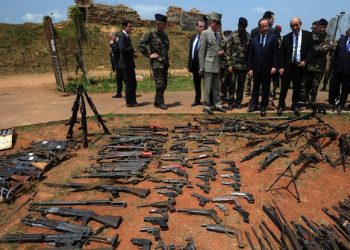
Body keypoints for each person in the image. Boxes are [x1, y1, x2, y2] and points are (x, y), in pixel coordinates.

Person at [277, 17, 313, 116]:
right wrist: (281, 67)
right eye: (292, 26)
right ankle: (281, 105)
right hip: (288, 66)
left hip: (299, 66)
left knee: (297, 87)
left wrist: (305, 61)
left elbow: (310, 50)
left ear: (300, 24)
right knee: (284, 87)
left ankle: (295, 105)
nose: (295, 27)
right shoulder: (286, 37)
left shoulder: (308, 35)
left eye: (296, 25)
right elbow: (282, 54)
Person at [247, 19, 278, 116]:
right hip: (256, 68)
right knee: (255, 88)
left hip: (268, 68)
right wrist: (250, 68)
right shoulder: (253, 40)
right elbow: (250, 55)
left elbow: (275, 54)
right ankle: (254, 104)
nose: (265, 28)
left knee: (266, 88)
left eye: (266, 26)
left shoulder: (273, 38)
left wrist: (274, 66)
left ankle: (263, 106)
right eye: (263, 26)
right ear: (259, 27)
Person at [139, 14, 169, 110]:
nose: (165, 26)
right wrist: (148, 55)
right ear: (158, 23)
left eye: (165, 24)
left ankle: (156, 101)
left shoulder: (164, 35)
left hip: (164, 63)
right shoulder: (151, 33)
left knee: (164, 84)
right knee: (160, 84)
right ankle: (160, 102)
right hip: (157, 64)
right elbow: (141, 44)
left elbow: (166, 48)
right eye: (163, 24)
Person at [198, 12, 226, 115]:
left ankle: (217, 105)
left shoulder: (218, 34)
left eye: (219, 23)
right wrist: (201, 67)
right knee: (207, 87)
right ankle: (206, 107)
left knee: (216, 87)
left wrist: (221, 52)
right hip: (208, 65)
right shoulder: (205, 33)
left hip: (217, 64)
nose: (218, 25)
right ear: (212, 23)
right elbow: (201, 52)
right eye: (217, 23)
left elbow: (218, 47)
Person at [303, 19, 332, 103]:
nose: (322, 29)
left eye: (324, 27)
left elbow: (325, 49)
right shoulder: (312, 36)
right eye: (320, 27)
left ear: (326, 27)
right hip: (309, 64)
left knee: (315, 85)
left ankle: (311, 101)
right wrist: (319, 47)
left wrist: (314, 48)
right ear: (318, 27)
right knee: (306, 83)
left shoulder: (329, 37)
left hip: (320, 65)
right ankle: (304, 101)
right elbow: (308, 47)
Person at [226, 17, 251, 109]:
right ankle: (230, 103)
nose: (242, 28)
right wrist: (229, 64)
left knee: (241, 86)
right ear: (238, 25)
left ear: (246, 26)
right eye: (240, 26)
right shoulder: (232, 35)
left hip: (243, 67)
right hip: (233, 66)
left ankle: (238, 102)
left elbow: (249, 53)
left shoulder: (248, 37)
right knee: (231, 85)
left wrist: (249, 67)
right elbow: (228, 50)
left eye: (244, 27)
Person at [118, 20, 139, 107]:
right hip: (125, 65)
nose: (131, 28)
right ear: (124, 27)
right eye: (129, 26)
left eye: (131, 26)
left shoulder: (127, 37)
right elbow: (122, 49)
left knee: (133, 83)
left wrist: (133, 54)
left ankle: (133, 101)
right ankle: (129, 102)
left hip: (129, 64)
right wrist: (132, 49)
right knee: (129, 84)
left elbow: (126, 49)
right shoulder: (121, 36)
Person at [330, 27, 350, 112]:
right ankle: (333, 103)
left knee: (345, 88)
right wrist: (333, 66)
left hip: (348, 70)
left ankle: (341, 104)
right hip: (338, 68)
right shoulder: (341, 40)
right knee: (335, 86)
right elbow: (335, 55)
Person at [188, 19, 205, 106]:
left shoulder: (206, 39)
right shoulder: (193, 38)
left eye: (203, 27)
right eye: (200, 26)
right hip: (194, 65)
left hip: (204, 66)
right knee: (196, 84)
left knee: (206, 84)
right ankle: (197, 99)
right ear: (196, 27)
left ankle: (208, 101)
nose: (202, 28)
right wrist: (189, 65)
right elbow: (191, 52)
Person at [109, 32, 123, 98]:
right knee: (118, 79)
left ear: (114, 36)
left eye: (111, 37)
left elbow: (116, 50)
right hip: (117, 64)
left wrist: (112, 44)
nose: (110, 39)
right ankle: (119, 93)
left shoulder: (119, 41)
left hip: (120, 64)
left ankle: (130, 93)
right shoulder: (115, 43)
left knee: (125, 79)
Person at [271, 24, 282, 99]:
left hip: (278, 61)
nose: (279, 31)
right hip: (272, 60)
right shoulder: (273, 37)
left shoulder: (280, 38)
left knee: (275, 78)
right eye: (277, 30)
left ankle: (273, 91)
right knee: (272, 78)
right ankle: (272, 92)